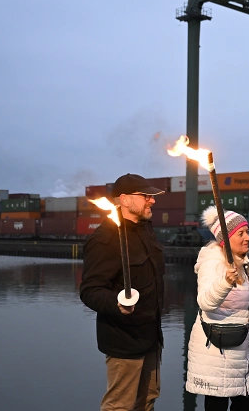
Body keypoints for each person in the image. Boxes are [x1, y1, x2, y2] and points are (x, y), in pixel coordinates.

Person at [80, 173, 166, 411]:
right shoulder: (105, 239)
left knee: (147, 400)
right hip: (124, 340)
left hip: (151, 336)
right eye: (146, 196)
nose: (152, 201)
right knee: (120, 406)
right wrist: (117, 303)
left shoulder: (145, 230)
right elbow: (90, 290)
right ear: (125, 200)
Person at [186, 207, 249, 411]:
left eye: (247, 231)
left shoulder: (242, 263)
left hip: (241, 349)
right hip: (216, 351)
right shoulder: (213, 263)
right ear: (225, 239)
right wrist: (225, 282)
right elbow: (205, 302)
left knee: (246, 401)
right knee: (218, 404)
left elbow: (248, 309)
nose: (248, 237)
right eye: (241, 233)